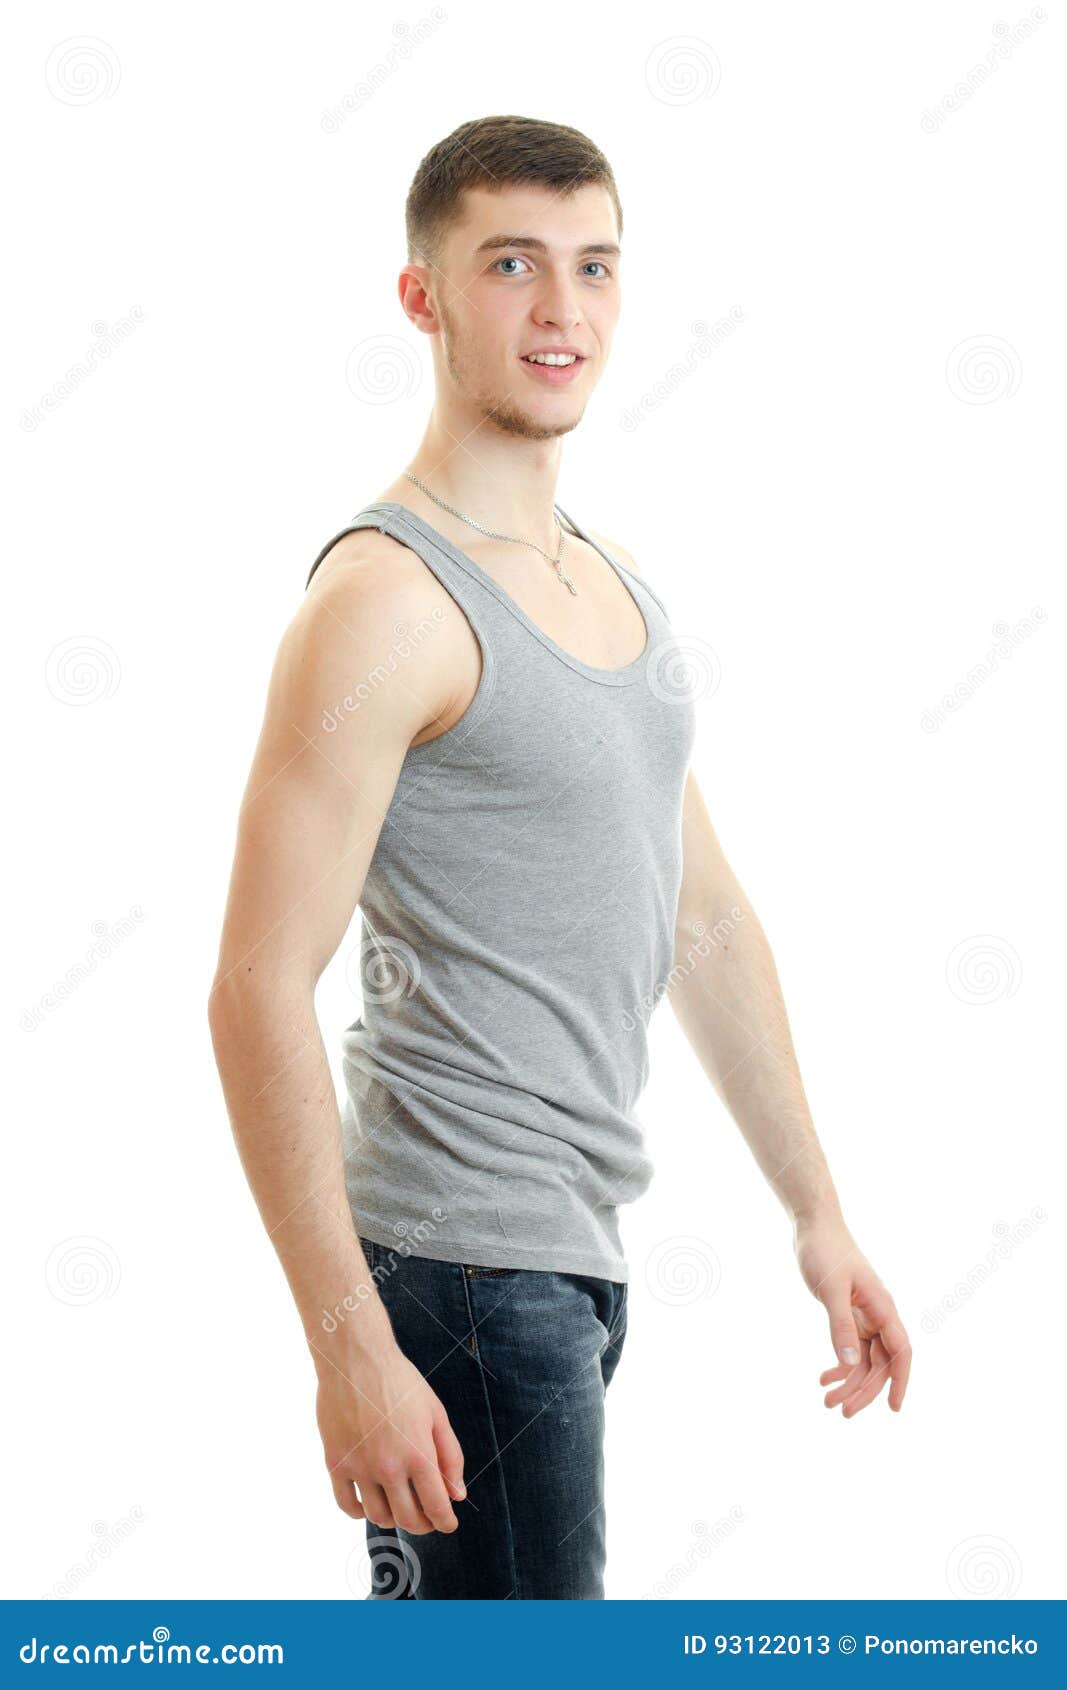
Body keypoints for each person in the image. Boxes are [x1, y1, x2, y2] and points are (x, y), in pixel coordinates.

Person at [207, 114, 911, 1601]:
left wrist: (817, 1211)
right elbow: (257, 985)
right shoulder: (386, 602)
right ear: (425, 299)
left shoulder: (618, 587)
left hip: (566, 1265)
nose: (562, 310)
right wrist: (353, 1345)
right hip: (455, 1274)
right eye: (512, 265)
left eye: (594, 267)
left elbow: (702, 916)